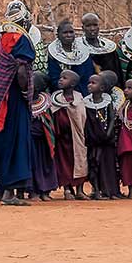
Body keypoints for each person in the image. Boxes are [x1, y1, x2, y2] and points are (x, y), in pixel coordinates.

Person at [0, 0, 38, 206]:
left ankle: (3, 190)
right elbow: (22, 70)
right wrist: (25, 92)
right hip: (13, 99)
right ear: (25, 20)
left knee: (4, 141)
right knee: (17, 140)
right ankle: (9, 193)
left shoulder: (2, 40)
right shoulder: (20, 39)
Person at [50, 70, 89, 199]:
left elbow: (81, 116)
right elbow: (54, 116)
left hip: (77, 137)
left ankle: (80, 190)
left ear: (72, 84)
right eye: (60, 77)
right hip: (62, 138)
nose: (60, 80)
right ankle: (67, 189)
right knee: (63, 163)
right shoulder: (56, 99)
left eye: (64, 78)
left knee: (80, 161)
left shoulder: (79, 98)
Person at [83, 73, 121, 200]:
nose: (89, 85)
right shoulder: (86, 102)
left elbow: (111, 119)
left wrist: (109, 133)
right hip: (93, 139)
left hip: (106, 140)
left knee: (108, 165)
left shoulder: (107, 102)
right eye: (89, 82)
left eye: (93, 83)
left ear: (102, 88)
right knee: (94, 165)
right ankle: (96, 190)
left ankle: (111, 191)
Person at [28, 73, 59, 201]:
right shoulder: (23, 100)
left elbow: (50, 122)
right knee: (32, 165)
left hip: (44, 140)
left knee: (45, 165)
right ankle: (33, 192)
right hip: (29, 140)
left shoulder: (46, 102)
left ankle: (45, 191)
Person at [46, 19, 96, 96]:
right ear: (58, 35)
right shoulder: (53, 54)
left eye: (71, 32)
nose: (69, 35)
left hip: (83, 91)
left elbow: (88, 75)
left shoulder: (83, 52)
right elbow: (54, 77)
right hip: (60, 93)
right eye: (65, 33)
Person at [81, 13, 124, 85]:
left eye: (95, 25)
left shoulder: (109, 49)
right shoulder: (79, 49)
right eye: (88, 26)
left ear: (99, 26)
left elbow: (117, 73)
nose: (92, 29)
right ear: (83, 28)